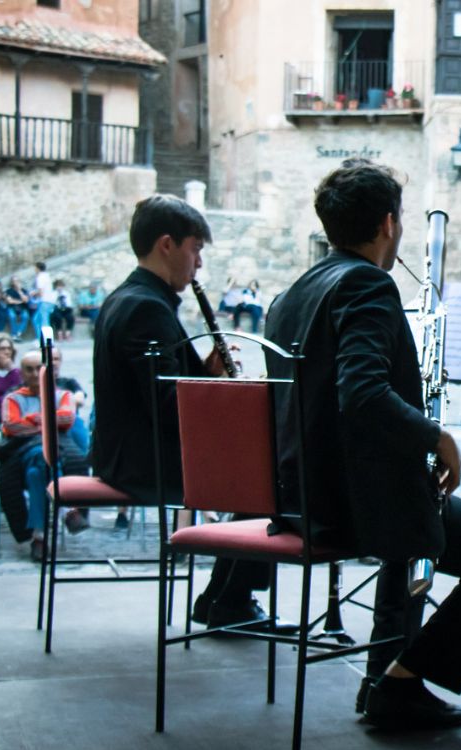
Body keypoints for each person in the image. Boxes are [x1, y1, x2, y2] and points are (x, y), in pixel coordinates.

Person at [264, 160, 461, 731]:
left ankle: (391, 679)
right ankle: (398, 681)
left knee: (414, 509)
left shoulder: (289, 295)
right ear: (389, 224)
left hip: (298, 497)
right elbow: (361, 393)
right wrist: (435, 436)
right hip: (353, 505)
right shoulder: (366, 282)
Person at [93, 195, 287, 634]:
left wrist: (207, 373)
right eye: (195, 248)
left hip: (125, 452)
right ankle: (229, 601)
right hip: (143, 462)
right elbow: (167, 409)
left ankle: (224, 597)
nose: (198, 264)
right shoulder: (146, 308)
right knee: (275, 474)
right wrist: (233, 404)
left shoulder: (130, 297)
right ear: (167, 244)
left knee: (267, 468)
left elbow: (158, 388)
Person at [1, 350, 86, 559]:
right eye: (28, 369)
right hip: (23, 451)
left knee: (36, 473)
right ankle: (67, 509)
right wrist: (47, 422)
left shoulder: (62, 395)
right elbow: (12, 426)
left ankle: (39, 537)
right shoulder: (13, 398)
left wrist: (30, 420)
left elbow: (67, 419)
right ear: (21, 373)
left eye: (37, 368)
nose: (33, 373)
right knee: (41, 453)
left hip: (57, 450)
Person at [30, 262, 54, 334]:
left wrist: (33, 293)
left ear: (37, 268)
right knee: (36, 320)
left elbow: (41, 292)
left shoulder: (40, 277)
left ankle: (47, 342)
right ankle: (40, 339)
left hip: (44, 301)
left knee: (44, 322)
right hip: (49, 301)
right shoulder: (47, 276)